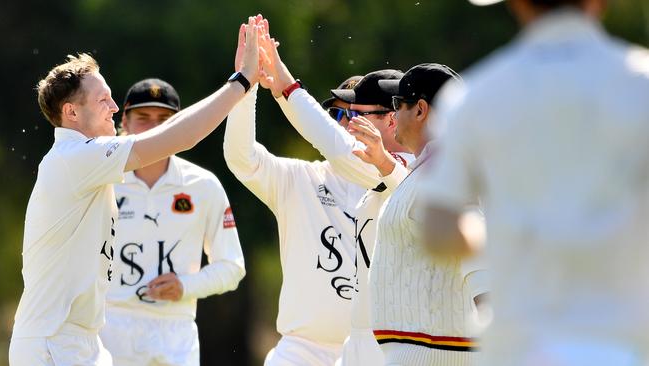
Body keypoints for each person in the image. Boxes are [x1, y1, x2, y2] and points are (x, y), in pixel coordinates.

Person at [9, 16, 262, 366]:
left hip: (86, 342)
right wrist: (242, 82)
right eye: (103, 101)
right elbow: (180, 136)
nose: (114, 109)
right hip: (53, 343)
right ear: (71, 112)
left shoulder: (87, 158)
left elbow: (167, 136)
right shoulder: (76, 157)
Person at [420, 0, 649, 365]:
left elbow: (438, 232)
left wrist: (511, 236)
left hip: (520, 348)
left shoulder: (474, 96)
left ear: (516, 4)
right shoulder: (640, 84)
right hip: (627, 347)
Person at [255, 30, 417, 365]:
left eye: (358, 114)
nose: (347, 124)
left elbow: (338, 149)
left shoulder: (407, 168)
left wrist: (285, 87)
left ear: (390, 118)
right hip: (359, 344)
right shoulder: (378, 171)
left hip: (396, 342)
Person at [98, 78, 245, 366]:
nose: (154, 128)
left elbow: (232, 267)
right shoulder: (104, 182)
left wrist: (186, 287)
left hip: (175, 333)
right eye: (143, 118)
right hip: (109, 327)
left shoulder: (203, 185)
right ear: (124, 122)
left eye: (165, 119)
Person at [353, 63, 488, 365]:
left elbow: (477, 252)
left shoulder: (445, 170)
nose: (393, 116)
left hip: (430, 355)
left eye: (397, 105)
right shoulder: (434, 170)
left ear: (420, 110)